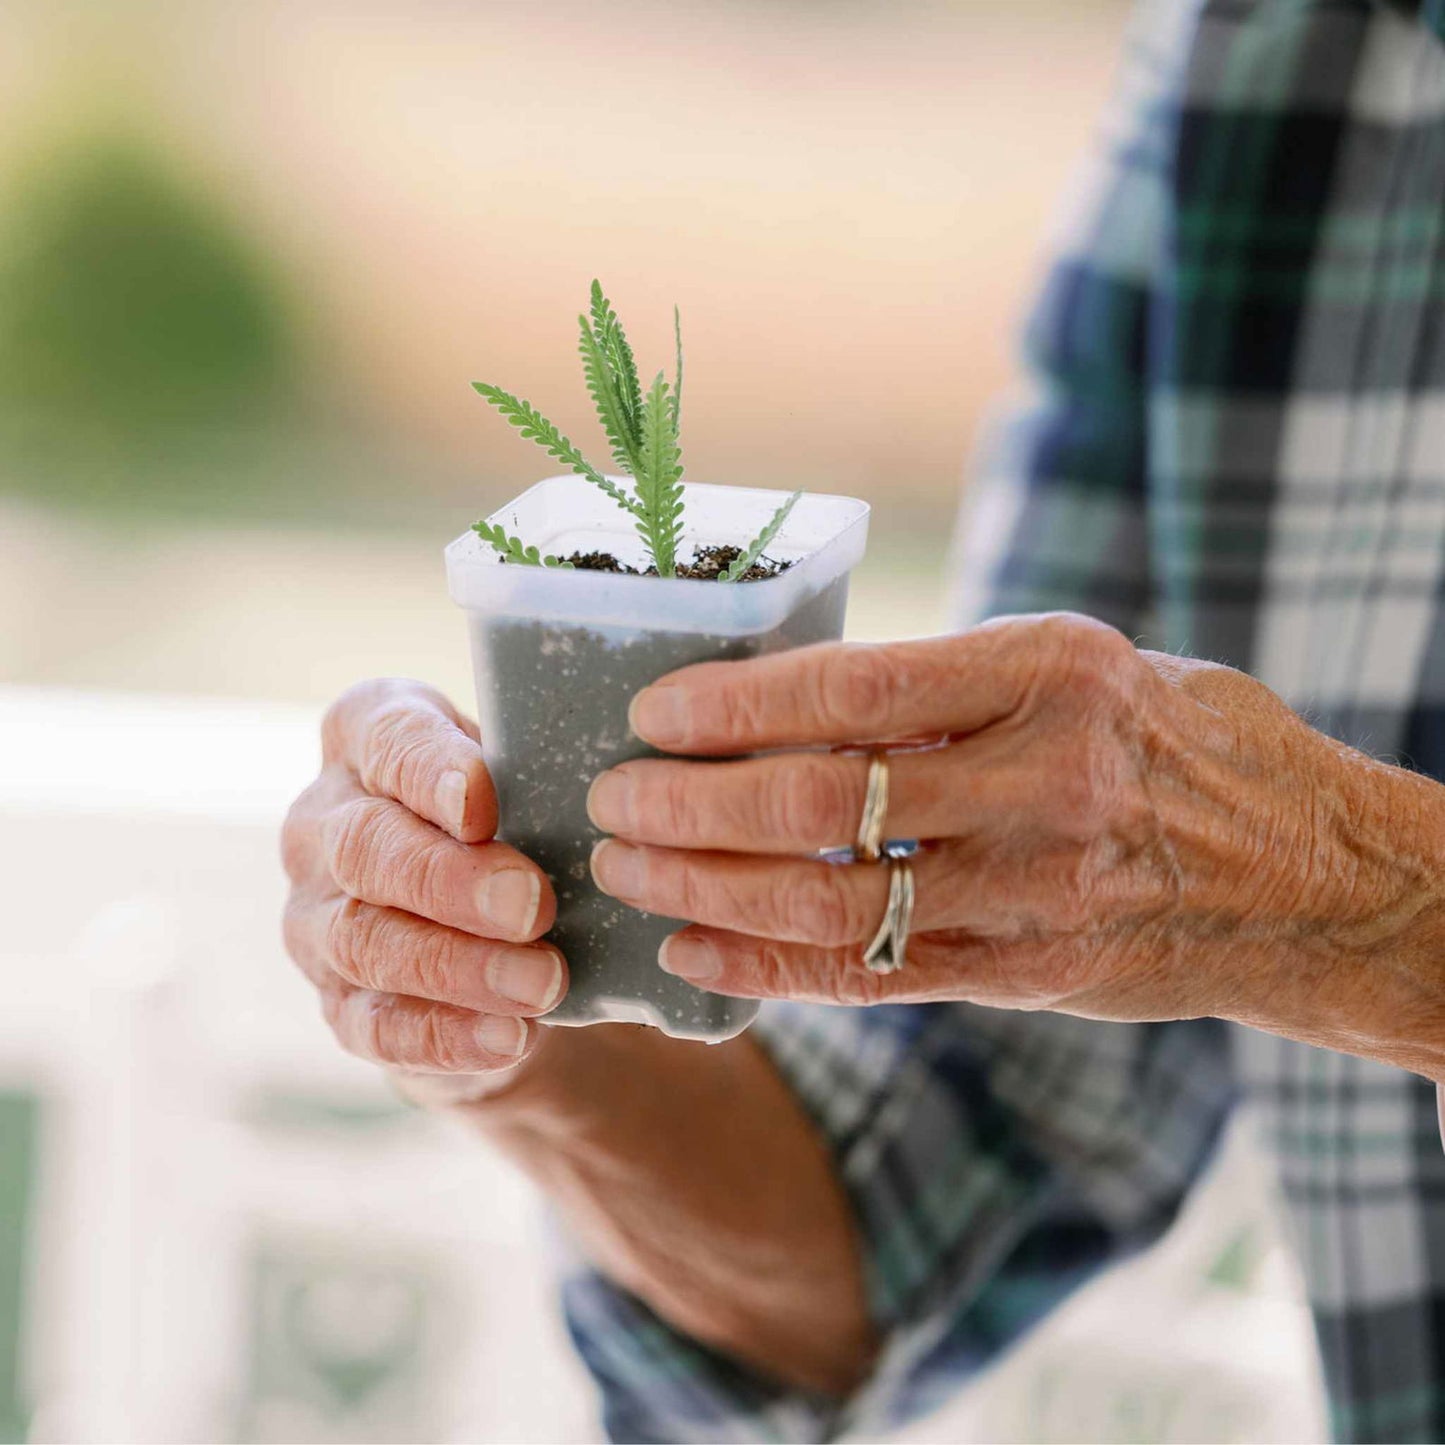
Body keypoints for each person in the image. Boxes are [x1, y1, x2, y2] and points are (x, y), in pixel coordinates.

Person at [281, 1, 1445, 1439]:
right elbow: (917, 1197)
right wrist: (507, 1015)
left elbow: (1265, 879)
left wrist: (1374, 908)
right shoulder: (1263, 61)